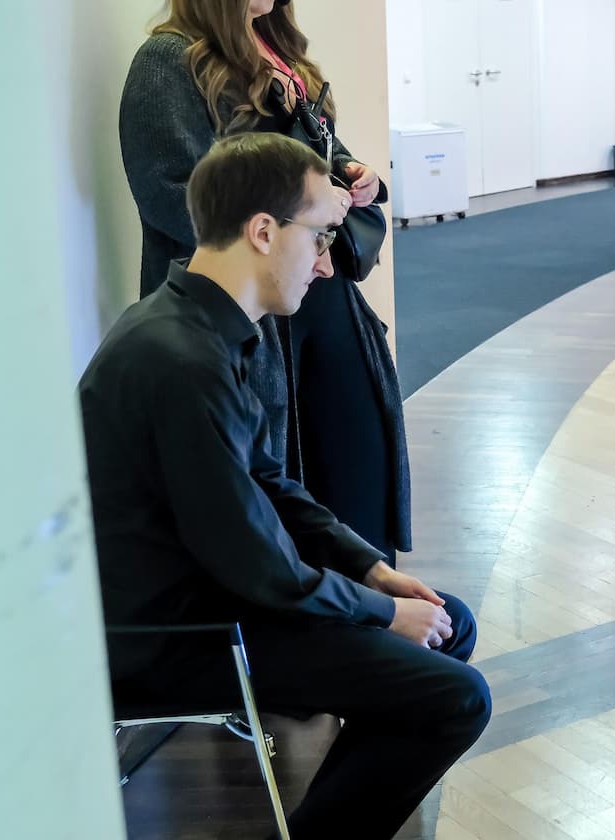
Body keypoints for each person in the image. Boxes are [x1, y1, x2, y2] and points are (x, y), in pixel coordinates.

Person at [80, 134, 489, 839]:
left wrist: (374, 572)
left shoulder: (197, 329)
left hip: (212, 598)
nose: (328, 266)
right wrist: (380, 615)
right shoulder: (182, 362)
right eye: (322, 237)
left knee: (446, 621)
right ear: (263, 231)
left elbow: (269, 482)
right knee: (456, 697)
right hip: (182, 634)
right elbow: (256, 565)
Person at [120, 0, 413, 565]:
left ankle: (372, 609)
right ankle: (318, 622)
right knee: (274, 490)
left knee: (354, 461)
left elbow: (324, 165)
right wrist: (287, 236)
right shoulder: (167, 62)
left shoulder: (283, 56)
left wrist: (358, 181)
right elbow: (175, 198)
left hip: (320, 295)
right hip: (247, 313)